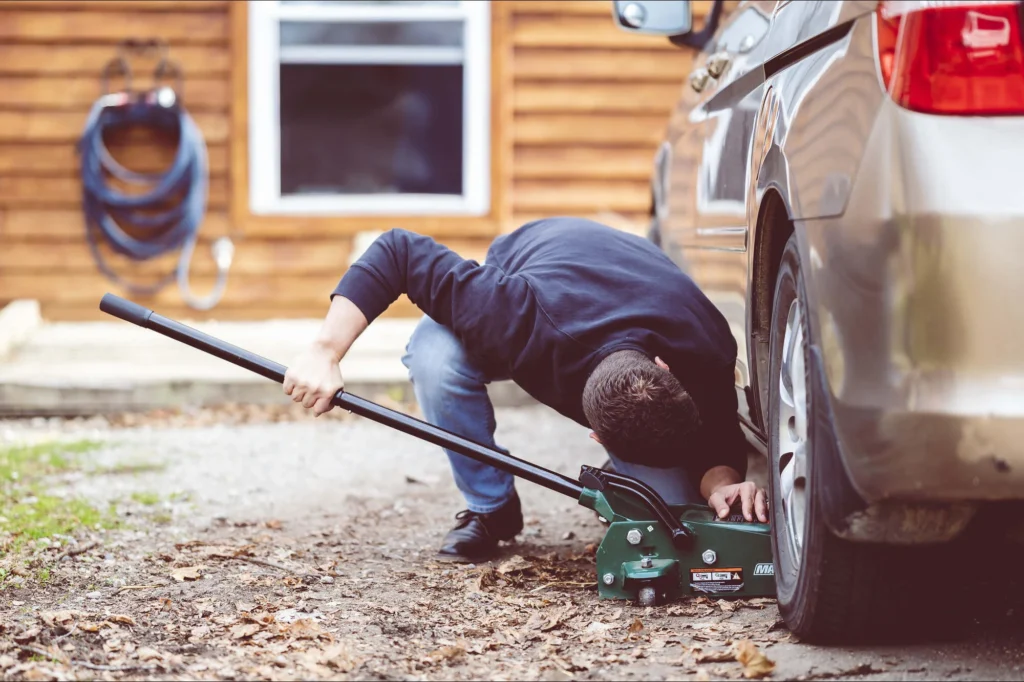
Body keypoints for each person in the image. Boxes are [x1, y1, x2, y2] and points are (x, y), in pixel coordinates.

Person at [283, 217, 768, 563]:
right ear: (595, 435)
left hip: (629, 265)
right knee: (434, 357)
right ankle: (491, 509)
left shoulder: (702, 346)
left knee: (677, 510)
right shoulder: (513, 314)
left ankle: (623, 480)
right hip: (537, 257)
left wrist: (723, 487)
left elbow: (718, 436)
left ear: (668, 371)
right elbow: (396, 249)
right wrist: (326, 349)